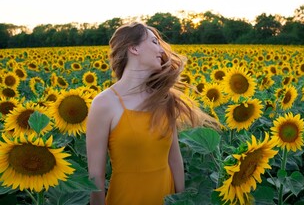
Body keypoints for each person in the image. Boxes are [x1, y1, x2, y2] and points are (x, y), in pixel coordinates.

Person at [86, 21, 218, 205]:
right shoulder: (104, 103)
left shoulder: (163, 99)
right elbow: (95, 175)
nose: (162, 52)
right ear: (134, 48)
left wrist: (181, 201)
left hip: (166, 198)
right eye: (154, 42)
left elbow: (175, 160)